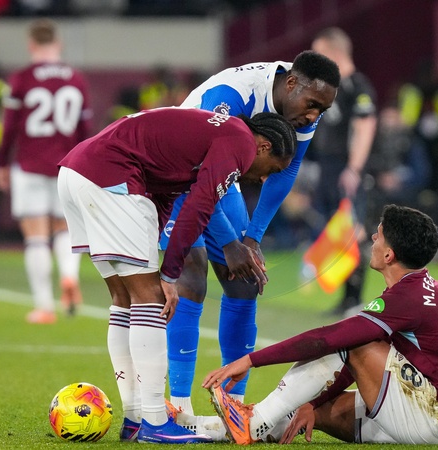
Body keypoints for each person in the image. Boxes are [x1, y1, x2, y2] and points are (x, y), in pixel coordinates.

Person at [57, 108, 298, 444]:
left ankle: (135, 417)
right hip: (111, 177)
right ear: (264, 147)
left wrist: (162, 263)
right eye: (272, 169)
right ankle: (155, 422)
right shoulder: (241, 142)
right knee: (150, 299)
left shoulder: (215, 133)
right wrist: (169, 275)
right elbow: (200, 206)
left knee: (124, 299)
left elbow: (170, 194)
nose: (262, 179)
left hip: (77, 172)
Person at [169, 205, 438, 444]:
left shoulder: (407, 298)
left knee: (348, 339)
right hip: (434, 411)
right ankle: (193, 426)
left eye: (379, 235)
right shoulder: (419, 288)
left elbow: (334, 340)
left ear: (389, 254)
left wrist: (251, 360)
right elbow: (360, 361)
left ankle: (254, 421)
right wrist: (314, 403)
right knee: (300, 411)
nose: (372, 239)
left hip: (435, 417)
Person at [161, 50, 340, 413]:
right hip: (180, 178)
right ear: (291, 83)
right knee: (192, 274)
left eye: (322, 110)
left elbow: (287, 170)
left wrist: (252, 238)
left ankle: (234, 407)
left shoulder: (304, 107)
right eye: (312, 105)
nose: (314, 115)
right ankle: (179, 406)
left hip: (221, 180)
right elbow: (200, 181)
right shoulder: (231, 96)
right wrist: (229, 242)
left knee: (246, 280)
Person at [0, 18, 92, 324]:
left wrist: (1, 163)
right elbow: (85, 128)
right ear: (58, 43)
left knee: (36, 237)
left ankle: (44, 306)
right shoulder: (76, 78)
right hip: (66, 164)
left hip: (29, 165)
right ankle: (69, 275)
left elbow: (9, 127)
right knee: (65, 228)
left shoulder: (21, 78)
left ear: (31, 45)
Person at [307, 27, 378, 316]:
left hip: (347, 168)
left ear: (334, 53)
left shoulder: (357, 87)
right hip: (328, 168)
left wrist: (354, 168)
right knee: (337, 232)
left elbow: (365, 127)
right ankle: (345, 297)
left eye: (319, 53)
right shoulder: (329, 88)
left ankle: (354, 298)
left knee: (354, 230)